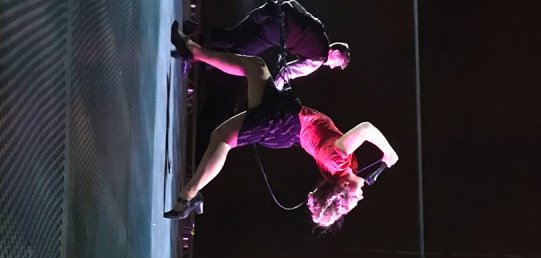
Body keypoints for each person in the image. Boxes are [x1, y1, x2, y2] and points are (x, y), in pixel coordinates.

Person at [165, 25, 397, 228]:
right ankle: (193, 52)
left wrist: (388, 152)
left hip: (283, 123)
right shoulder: (344, 169)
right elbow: (357, 181)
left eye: (356, 198)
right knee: (256, 67)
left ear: (344, 184)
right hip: (288, 119)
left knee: (223, 138)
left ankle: (188, 197)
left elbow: (366, 129)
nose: (362, 198)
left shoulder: (338, 160)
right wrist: (371, 171)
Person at [196, 1, 350, 88]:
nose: (332, 67)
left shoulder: (318, 27)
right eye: (336, 64)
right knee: (239, 53)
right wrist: (274, 92)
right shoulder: (319, 58)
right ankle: (196, 56)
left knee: (234, 35)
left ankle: (195, 31)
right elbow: (287, 72)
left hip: (272, 10)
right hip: (275, 31)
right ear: (335, 53)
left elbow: (294, 3)